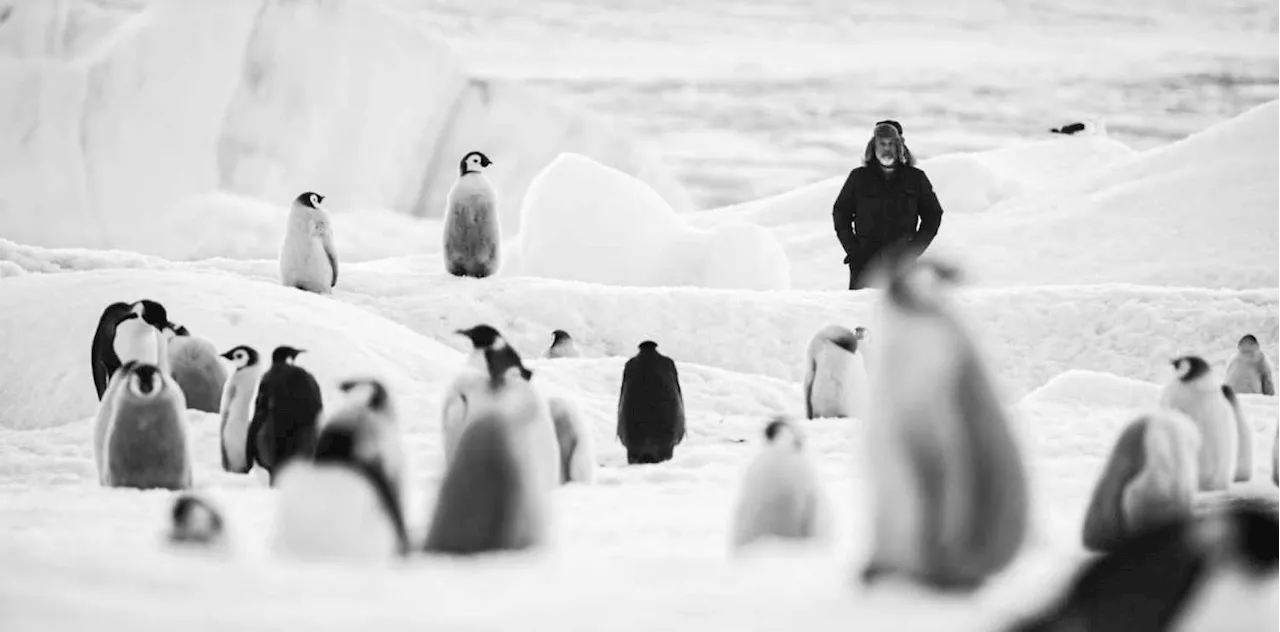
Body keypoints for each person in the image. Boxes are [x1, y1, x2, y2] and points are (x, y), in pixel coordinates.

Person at [832, 120, 944, 290]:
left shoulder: (915, 178)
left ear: (899, 147)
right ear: (873, 147)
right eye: (882, 144)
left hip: (901, 264)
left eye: (892, 144)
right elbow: (841, 213)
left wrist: (913, 250)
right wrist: (853, 250)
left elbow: (933, 214)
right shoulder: (859, 178)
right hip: (865, 264)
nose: (886, 149)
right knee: (861, 311)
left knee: (899, 313)